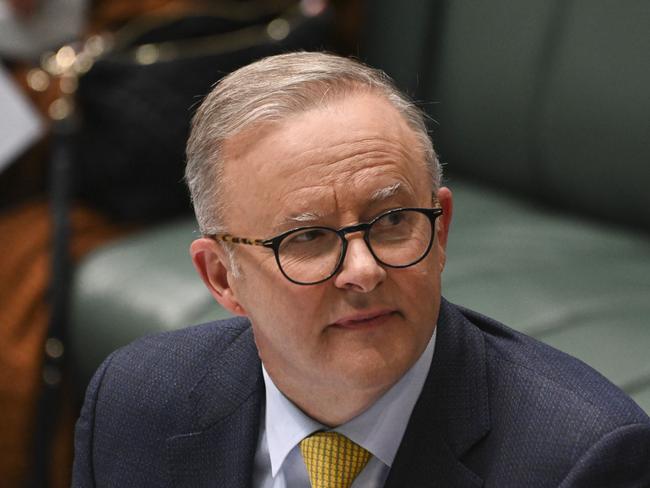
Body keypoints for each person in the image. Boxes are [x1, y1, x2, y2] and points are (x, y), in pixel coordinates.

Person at [72, 51, 650, 487]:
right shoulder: (134, 402)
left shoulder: (583, 458)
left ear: (440, 229)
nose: (363, 270)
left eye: (393, 220)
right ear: (222, 278)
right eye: (308, 237)